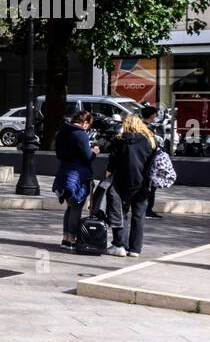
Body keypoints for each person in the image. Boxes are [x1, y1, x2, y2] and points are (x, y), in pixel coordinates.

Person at [105, 113, 158, 258]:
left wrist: (108, 175)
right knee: (139, 216)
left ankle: (120, 245)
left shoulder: (120, 140)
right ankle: (135, 249)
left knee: (120, 213)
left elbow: (112, 162)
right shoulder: (150, 141)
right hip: (144, 183)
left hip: (123, 182)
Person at [52, 110, 98, 250]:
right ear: (84, 122)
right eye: (88, 125)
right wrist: (95, 152)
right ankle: (72, 238)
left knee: (70, 206)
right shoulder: (80, 133)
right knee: (76, 206)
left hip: (64, 173)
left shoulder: (62, 131)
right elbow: (87, 156)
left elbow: (59, 153)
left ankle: (66, 238)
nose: (87, 128)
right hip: (77, 175)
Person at [141, 105, 164, 217]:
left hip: (142, 161)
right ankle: (147, 210)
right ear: (152, 115)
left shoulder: (140, 126)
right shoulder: (148, 128)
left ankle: (146, 209)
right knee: (150, 187)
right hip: (148, 162)